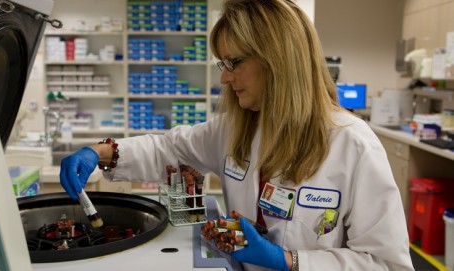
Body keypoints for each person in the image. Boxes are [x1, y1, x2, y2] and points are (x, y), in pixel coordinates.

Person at [60, 0, 414, 270]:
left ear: (278, 61)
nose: (224, 78)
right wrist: (99, 152)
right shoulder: (238, 126)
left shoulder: (352, 144)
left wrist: (289, 260)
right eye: (222, 64)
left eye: (234, 63)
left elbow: (386, 263)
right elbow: (169, 148)